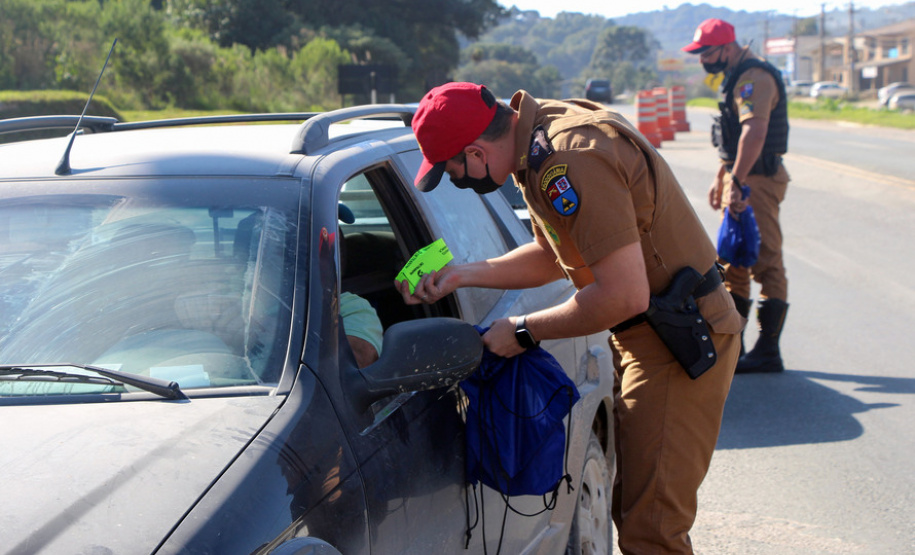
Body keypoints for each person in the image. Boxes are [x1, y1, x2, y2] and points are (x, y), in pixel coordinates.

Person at [397, 82, 743, 554]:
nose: (460, 180)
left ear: (476, 152)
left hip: (676, 345)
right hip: (654, 336)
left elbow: (623, 294)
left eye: (454, 169)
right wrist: (462, 275)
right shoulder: (535, 142)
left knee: (653, 532)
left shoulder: (567, 159)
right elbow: (553, 254)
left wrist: (523, 331)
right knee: (638, 513)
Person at [682, 18, 791, 373]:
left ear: (727, 48)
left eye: (705, 52)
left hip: (756, 180)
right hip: (742, 177)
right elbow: (730, 139)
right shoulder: (736, 76)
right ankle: (738, 348)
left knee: (766, 260)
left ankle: (767, 351)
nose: (702, 59)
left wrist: (738, 182)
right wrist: (723, 177)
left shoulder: (753, 79)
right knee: (734, 261)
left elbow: (754, 134)